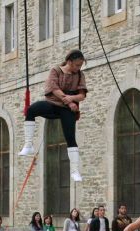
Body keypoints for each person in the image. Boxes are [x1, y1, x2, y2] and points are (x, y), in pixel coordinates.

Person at [18, 49, 88, 182]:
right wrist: (67, 99)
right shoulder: (55, 70)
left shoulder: (79, 75)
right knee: (31, 110)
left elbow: (82, 95)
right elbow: (54, 88)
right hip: (53, 104)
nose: (78, 68)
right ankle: (28, 145)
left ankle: (74, 171)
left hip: (67, 109)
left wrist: (71, 99)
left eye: (80, 65)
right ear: (69, 62)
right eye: (77, 65)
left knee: (70, 137)